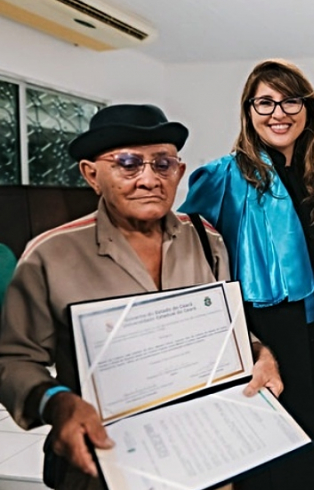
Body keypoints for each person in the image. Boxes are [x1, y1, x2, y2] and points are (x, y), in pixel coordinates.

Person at [0, 104, 281, 490]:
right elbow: (14, 360)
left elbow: (228, 331)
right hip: (106, 462)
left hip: (205, 452)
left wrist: (260, 355)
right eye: (128, 164)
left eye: (162, 163)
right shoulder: (50, 255)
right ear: (91, 174)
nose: (149, 179)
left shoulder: (207, 240)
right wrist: (56, 402)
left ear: (179, 172)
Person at [179, 59, 314, 490]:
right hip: (265, 333)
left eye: (290, 101)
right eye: (265, 102)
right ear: (248, 111)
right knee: (277, 456)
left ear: (308, 110)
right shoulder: (223, 176)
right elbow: (188, 253)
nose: (279, 113)